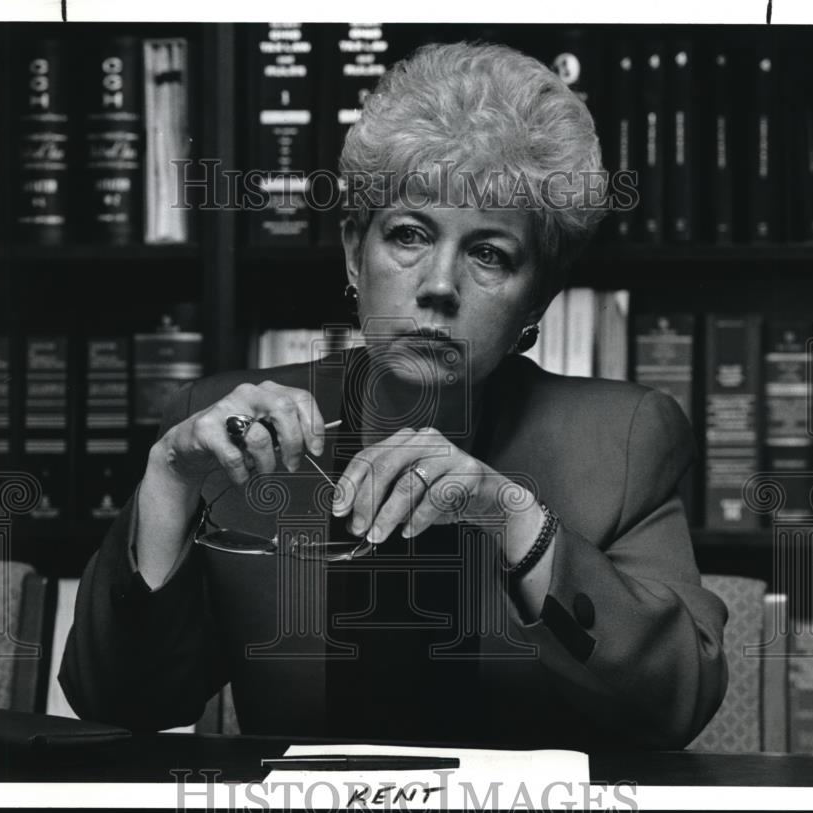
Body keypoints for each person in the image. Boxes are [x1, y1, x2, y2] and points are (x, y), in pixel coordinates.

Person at [59, 41, 728, 750]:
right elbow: (119, 703)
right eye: (410, 234)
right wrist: (168, 483)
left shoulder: (622, 438)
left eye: (490, 253)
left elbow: (676, 705)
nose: (440, 284)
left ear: (537, 301)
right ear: (354, 251)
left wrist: (513, 518)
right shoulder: (231, 431)